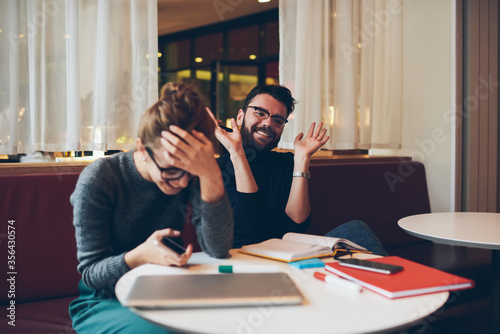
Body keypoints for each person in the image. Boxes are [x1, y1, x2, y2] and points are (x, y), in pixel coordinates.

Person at [69, 83, 233, 334]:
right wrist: (139, 256)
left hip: (164, 289)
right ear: (143, 149)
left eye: (191, 173)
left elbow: (218, 248)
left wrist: (210, 172)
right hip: (103, 301)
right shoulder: (101, 178)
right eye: (171, 172)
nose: (182, 183)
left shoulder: (192, 174)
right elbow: (91, 274)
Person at [211, 84, 387, 256]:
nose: (268, 123)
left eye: (277, 120)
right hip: (245, 259)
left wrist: (302, 158)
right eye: (260, 113)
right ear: (240, 116)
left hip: (289, 256)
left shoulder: (285, 163)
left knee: (357, 229)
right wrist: (237, 153)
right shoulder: (218, 169)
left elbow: (297, 223)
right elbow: (248, 230)